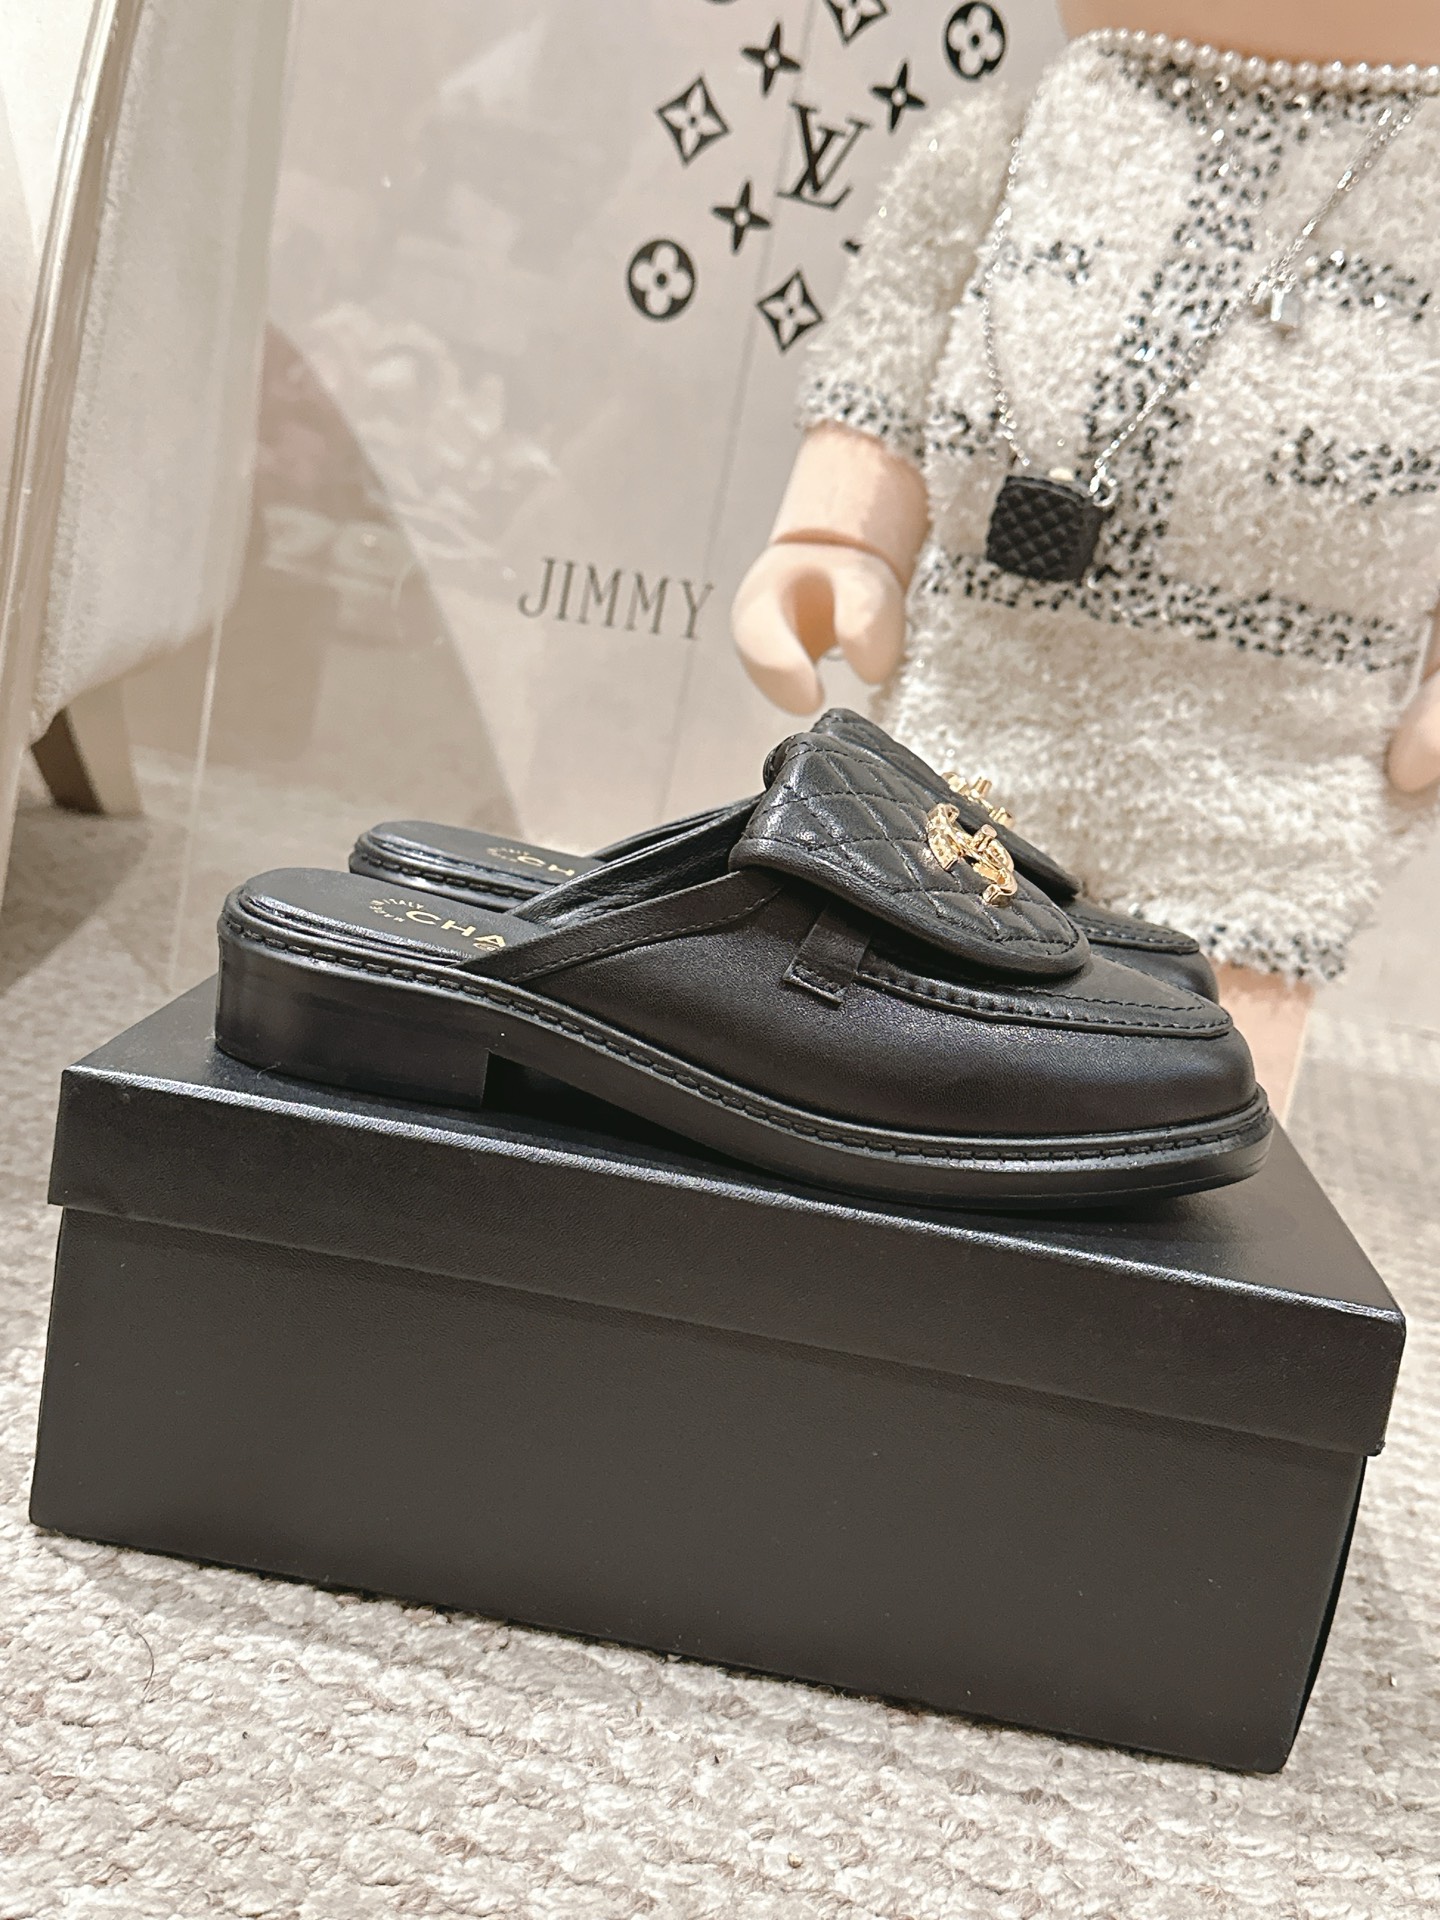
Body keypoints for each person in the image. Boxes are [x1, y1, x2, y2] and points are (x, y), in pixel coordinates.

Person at [730, 0, 1440, 1116]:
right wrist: (836, 534)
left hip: (1268, 761)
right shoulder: (1004, 146)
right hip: (986, 699)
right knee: (904, 1010)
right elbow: (886, 356)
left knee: (1193, 1081)